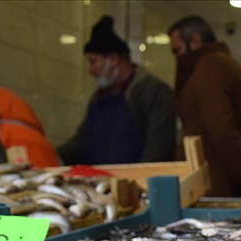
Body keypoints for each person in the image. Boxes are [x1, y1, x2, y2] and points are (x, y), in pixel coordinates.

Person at [168, 16, 241, 197]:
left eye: (177, 50)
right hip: (225, 182)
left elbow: (221, 128)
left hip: (216, 186)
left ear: (195, 41)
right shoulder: (229, 65)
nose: (177, 60)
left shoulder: (210, 66)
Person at [57, 16, 176, 166]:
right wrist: (50, 155)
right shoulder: (98, 98)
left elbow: (158, 152)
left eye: (93, 61)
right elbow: (82, 141)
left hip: (134, 187)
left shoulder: (153, 92)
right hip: (97, 184)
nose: (90, 70)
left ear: (113, 59)